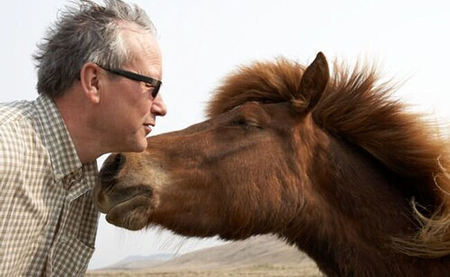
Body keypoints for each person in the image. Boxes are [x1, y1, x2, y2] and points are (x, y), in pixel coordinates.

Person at [0, 0, 167, 275]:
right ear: (94, 82)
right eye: (151, 85)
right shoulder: (6, 148)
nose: (161, 107)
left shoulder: (86, 179)